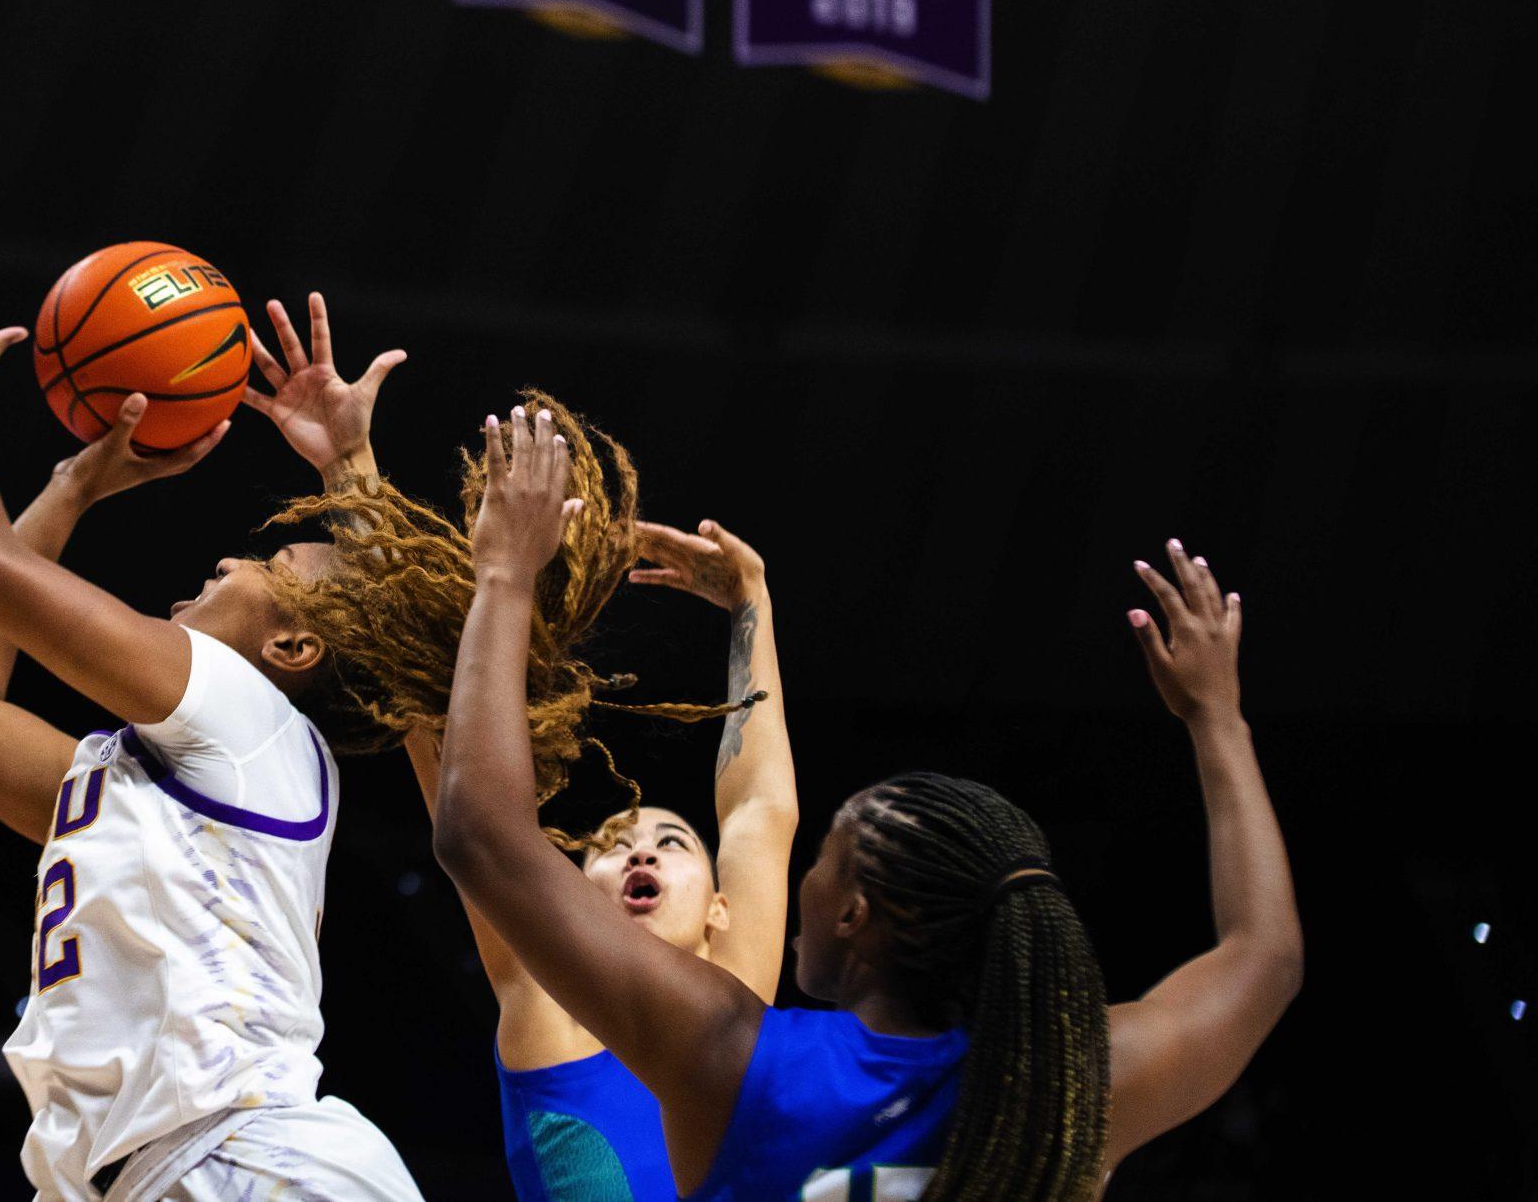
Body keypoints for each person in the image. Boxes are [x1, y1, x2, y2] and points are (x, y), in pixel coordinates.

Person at [433, 409, 1302, 1202]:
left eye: (822, 858)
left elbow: (481, 829)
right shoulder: (1067, 1083)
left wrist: (506, 575)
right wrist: (1218, 718)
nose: (795, 868)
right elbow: (1263, 957)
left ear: (854, 915)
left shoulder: (741, 1059)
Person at [0, 246, 427, 1201]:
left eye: (265, 565)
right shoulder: (151, 787)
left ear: (293, 649)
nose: (224, 559)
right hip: (157, 1175)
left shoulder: (249, 718)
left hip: (258, 1163)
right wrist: (70, 488)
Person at [403, 515, 791, 1201]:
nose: (640, 848)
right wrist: (350, 466)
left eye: (672, 842)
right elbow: (441, 745)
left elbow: (759, 810)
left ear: (719, 909)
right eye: (611, 846)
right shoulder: (542, 1001)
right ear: (569, 898)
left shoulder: (738, 1003)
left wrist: (750, 597)